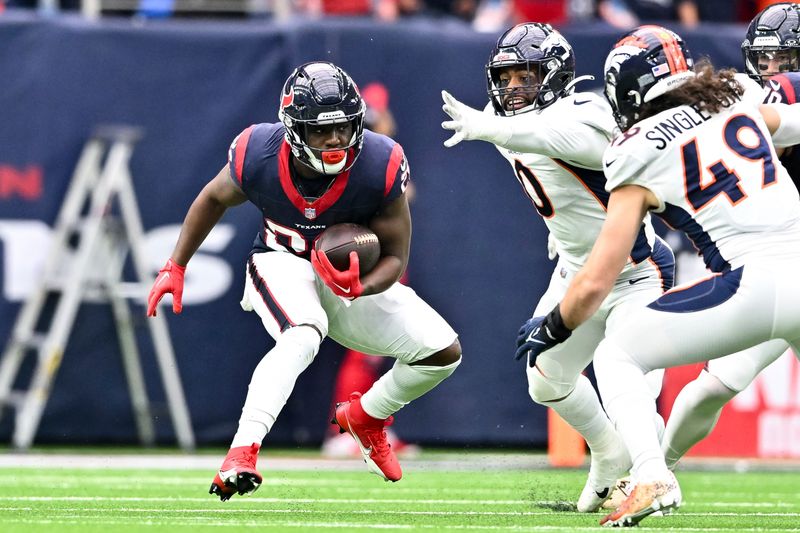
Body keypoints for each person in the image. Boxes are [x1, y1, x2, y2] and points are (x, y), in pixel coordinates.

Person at [516, 25, 800, 526]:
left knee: (616, 353)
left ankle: (651, 473)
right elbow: (790, 122)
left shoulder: (635, 149)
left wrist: (555, 325)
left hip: (753, 285)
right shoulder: (734, 102)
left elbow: (598, 277)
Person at [146, 61, 462, 500]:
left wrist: (362, 286)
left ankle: (368, 416)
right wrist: (176, 266)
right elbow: (213, 197)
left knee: (442, 352)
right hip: (280, 260)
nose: (335, 141)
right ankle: (242, 450)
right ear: (294, 130)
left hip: (346, 280)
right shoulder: (258, 152)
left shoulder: (380, 160)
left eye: (344, 128)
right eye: (320, 131)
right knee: (302, 336)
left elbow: (396, 256)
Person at [440, 22, 675, 513]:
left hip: (636, 273)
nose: (511, 89)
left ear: (554, 73)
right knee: (545, 378)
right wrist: (561, 228)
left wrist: (492, 127)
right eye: (504, 79)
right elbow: (552, 171)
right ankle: (608, 453)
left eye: (524, 75)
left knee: (629, 393)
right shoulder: (504, 123)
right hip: (575, 273)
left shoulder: (583, 111)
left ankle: (653, 478)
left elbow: (561, 140)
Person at [660, 2, 800, 471]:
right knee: (716, 383)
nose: (772, 72)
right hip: (783, 266)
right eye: (763, 61)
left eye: (784, 61)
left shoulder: (768, 100)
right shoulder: (747, 102)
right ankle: (653, 471)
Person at [322, 82, 420, 459]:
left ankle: (368, 425)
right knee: (362, 354)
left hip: (381, 260)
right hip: (364, 261)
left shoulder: (381, 157)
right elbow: (403, 196)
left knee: (379, 354)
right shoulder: (361, 161)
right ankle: (346, 429)